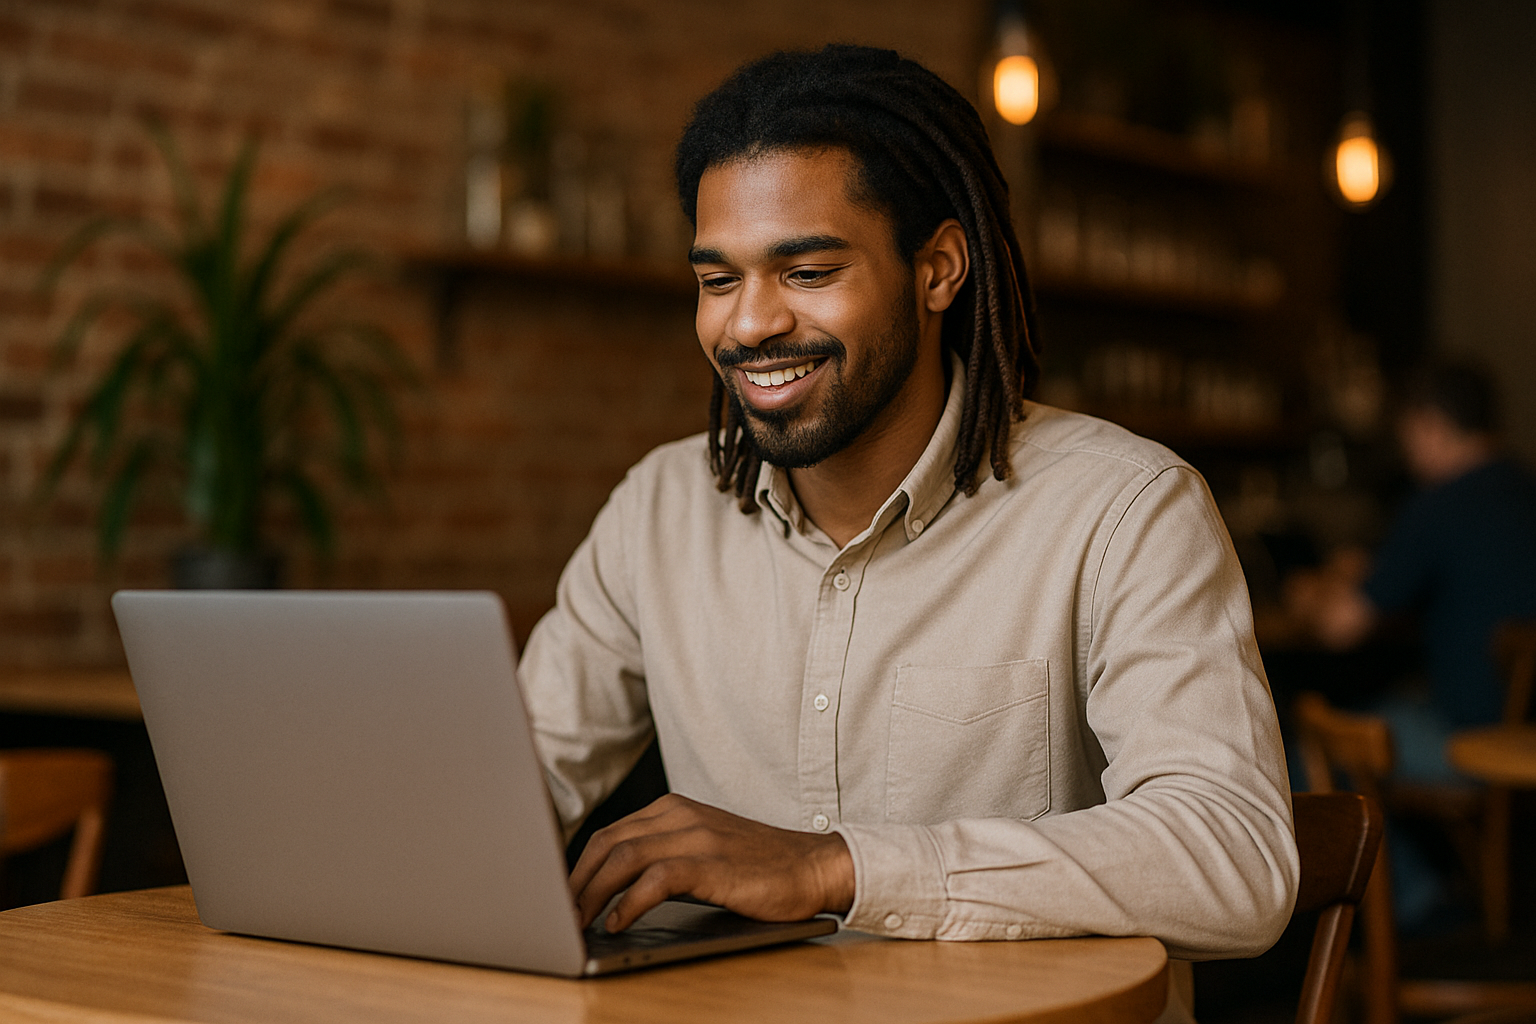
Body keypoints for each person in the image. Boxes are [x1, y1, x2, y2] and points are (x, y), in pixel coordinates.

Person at [517, 45, 1297, 979]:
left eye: (805, 272)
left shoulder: (1123, 510)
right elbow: (513, 782)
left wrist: (835, 867)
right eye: (718, 281)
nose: (749, 324)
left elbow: (1234, 863)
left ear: (937, 269)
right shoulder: (659, 511)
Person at [1291, 360, 1536, 781]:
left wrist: (1312, 593)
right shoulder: (1523, 489)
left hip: (1473, 739)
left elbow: (1339, 626)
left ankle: (1395, 849)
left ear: (1431, 424)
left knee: (1302, 752)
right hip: (1524, 736)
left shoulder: (1439, 505)